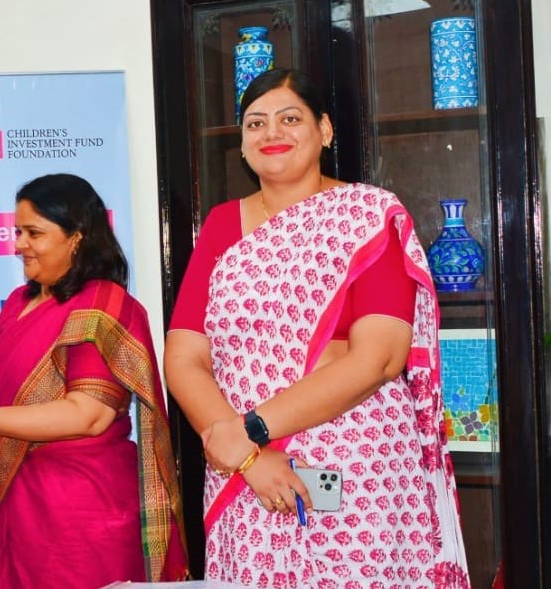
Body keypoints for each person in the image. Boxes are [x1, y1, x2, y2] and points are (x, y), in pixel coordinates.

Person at [164, 68, 470, 588]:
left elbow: (379, 358)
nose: (271, 133)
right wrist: (247, 456)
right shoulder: (220, 225)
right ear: (241, 144)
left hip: (356, 469)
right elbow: (184, 355)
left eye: (290, 118)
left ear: (325, 130)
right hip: (249, 475)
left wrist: (250, 431)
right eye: (255, 123)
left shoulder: (369, 216)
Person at [0, 174, 187, 588]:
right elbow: (4, 393)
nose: (18, 244)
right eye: (18, 231)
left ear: (77, 236)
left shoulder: (102, 305)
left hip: (78, 515)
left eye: (34, 233)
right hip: (12, 504)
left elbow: (90, 414)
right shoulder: (17, 305)